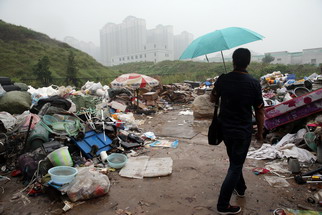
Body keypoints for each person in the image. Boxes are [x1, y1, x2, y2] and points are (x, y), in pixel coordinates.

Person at [210, 48, 264, 214]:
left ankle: (240, 189)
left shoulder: (223, 79)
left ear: (233, 61)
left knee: (235, 161)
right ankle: (223, 205)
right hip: (242, 131)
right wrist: (260, 132)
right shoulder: (253, 83)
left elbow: (213, 98)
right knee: (235, 165)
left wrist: (222, 87)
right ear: (248, 62)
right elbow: (260, 111)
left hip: (225, 129)